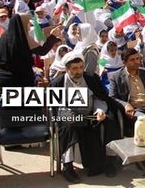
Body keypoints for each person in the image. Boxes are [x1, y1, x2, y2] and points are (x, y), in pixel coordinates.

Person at [51, 52, 120, 183]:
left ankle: (110, 161)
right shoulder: (58, 83)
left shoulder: (90, 79)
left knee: (110, 122)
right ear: (67, 69)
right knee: (68, 127)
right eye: (74, 68)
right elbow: (55, 108)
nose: (78, 71)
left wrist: (99, 111)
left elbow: (99, 98)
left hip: (91, 114)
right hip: (69, 116)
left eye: (81, 67)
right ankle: (68, 166)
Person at [0, 14, 62, 89]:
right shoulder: (22, 38)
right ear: (22, 24)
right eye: (27, 24)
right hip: (21, 80)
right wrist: (53, 36)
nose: (29, 27)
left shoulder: (3, 37)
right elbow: (42, 51)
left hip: (3, 78)